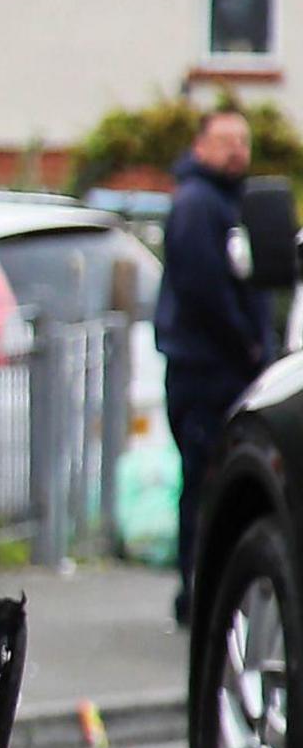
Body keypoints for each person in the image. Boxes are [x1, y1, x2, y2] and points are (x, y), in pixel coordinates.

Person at [154, 108, 276, 619]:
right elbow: (204, 289)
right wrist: (247, 345)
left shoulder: (235, 203)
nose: (237, 151)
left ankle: (211, 590)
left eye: (243, 141)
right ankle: (197, 590)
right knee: (206, 480)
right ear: (199, 147)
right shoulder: (198, 206)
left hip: (230, 368)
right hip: (206, 371)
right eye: (225, 141)